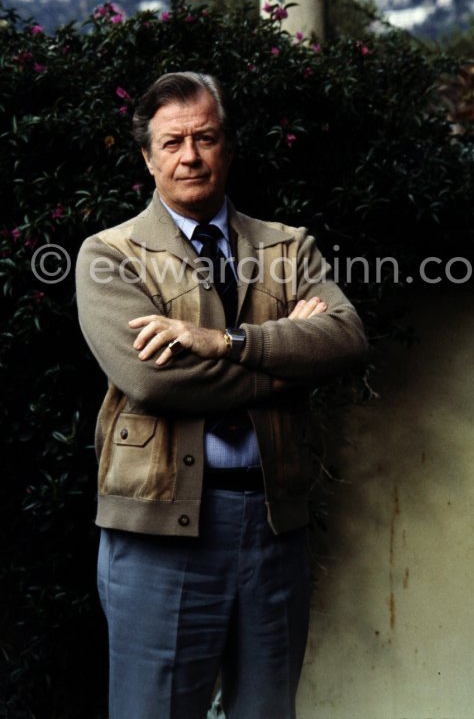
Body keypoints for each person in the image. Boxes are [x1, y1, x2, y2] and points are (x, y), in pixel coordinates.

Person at [76, 71, 367, 719]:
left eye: (205, 137)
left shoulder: (288, 247)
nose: (190, 155)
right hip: (160, 534)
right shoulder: (110, 255)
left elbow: (345, 339)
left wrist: (223, 343)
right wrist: (287, 350)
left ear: (228, 146)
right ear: (148, 157)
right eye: (173, 141)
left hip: (272, 524)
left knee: (267, 711)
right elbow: (155, 379)